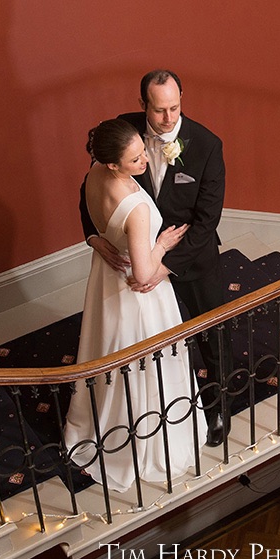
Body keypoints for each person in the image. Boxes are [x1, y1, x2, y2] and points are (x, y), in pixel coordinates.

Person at [79, 70, 231, 446]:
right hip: (141, 261)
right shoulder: (123, 133)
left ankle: (219, 405)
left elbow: (207, 222)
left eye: (175, 107)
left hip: (192, 262)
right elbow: (90, 185)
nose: (168, 118)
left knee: (212, 336)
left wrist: (161, 267)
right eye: (159, 109)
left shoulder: (208, 145)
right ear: (142, 104)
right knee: (153, 343)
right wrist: (93, 237)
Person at [64, 119, 204, 492]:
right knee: (144, 366)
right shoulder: (137, 211)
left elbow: (88, 202)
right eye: (136, 159)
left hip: (106, 283)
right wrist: (164, 245)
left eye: (143, 151)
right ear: (113, 164)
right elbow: (143, 276)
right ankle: (145, 443)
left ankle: (103, 424)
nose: (144, 160)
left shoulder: (94, 171)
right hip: (137, 296)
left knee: (110, 353)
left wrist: (95, 238)